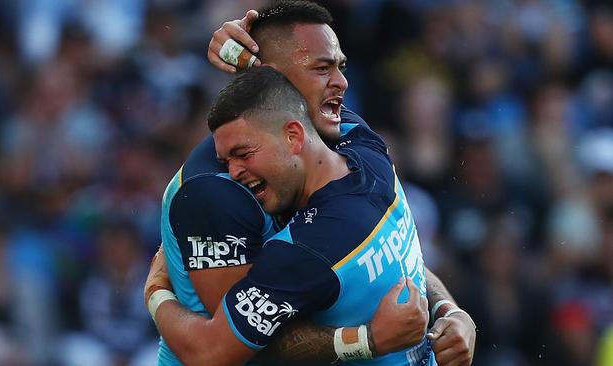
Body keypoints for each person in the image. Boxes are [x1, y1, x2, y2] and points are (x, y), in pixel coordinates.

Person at [148, 1, 475, 365]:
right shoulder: (216, 194)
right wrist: (157, 294)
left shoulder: (351, 136)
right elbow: (240, 350)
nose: (341, 82)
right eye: (321, 68)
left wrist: (449, 311)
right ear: (272, 77)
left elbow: (396, 257)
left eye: (339, 66)